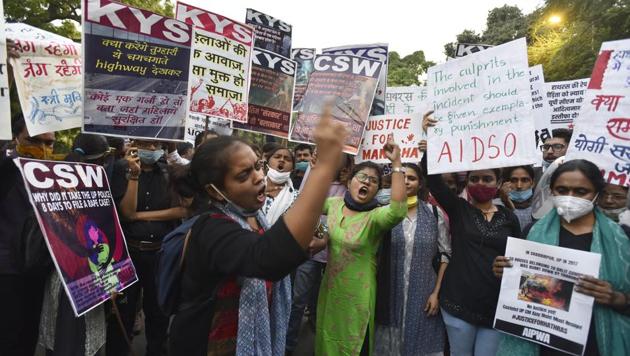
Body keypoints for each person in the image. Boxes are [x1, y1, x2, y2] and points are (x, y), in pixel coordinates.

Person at [168, 110, 347, 356]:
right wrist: (324, 170)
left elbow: (308, 220)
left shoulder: (260, 210)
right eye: (244, 175)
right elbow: (266, 257)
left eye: (257, 167)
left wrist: (320, 235)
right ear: (214, 190)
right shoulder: (211, 228)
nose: (259, 178)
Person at [493, 159, 630, 355]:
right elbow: (521, 290)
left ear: (598, 194)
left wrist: (618, 299)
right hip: (542, 343)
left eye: (581, 192)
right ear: (552, 191)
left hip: (597, 343)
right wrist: (506, 273)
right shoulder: (533, 232)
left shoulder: (622, 240)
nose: (570, 197)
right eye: (562, 190)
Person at [421, 112, 522, 356]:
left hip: (496, 307)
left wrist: (510, 264)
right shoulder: (459, 209)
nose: (481, 183)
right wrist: (430, 137)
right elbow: (433, 180)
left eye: (487, 179)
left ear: (498, 184)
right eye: (474, 178)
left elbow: (520, 258)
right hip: (458, 303)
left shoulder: (509, 217)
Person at [315, 138, 407, 356]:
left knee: (354, 346)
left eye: (373, 181)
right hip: (330, 290)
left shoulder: (376, 218)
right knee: (326, 341)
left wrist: (397, 164)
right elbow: (306, 206)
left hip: (358, 297)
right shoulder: (334, 205)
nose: (366, 183)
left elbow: (398, 210)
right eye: (362, 177)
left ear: (377, 189)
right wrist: (319, 168)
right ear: (349, 182)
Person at [107, 139, 187, 356]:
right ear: (134, 143)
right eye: (146, 144)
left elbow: (181, 210)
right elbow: (125, 212)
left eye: (156, 145)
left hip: (160, 254)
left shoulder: (170, 173)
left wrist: (140, 216)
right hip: (128, 255)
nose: (152, 149)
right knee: (122, 315)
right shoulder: (120, 169)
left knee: (158, 314)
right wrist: (134, 176)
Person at [39, 134, 113, 356]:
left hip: (69, 275)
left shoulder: (51, 184)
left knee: (68, 337)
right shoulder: (91, 189)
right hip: (79, 277)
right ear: (97, 162)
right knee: (74, 339)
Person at [375, 163, 451, 356]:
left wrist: (436, 293)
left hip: (425, 292)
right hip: (390, 292)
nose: (406, 181)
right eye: (402, 177)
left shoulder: (435, 214)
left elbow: (445, 254)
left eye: (411, 178)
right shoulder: (383, 213)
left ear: (420, 184)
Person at [285, 153, 353, 355]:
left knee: (330, 301)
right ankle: (288, 345)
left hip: (337, 255)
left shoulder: (349, 184)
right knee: (298, 300)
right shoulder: (314, 176)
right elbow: (307, 205)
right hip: (312, 252)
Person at [0, 115, 55, 356]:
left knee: (29, 335)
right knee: (8, 336)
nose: (43, 149)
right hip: (8, 270)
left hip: (39, 267)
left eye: (50, 143)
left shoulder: (58, 172)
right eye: (34, 141)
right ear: (17, 139)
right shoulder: (7, 168)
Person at [262, 146, 300, 224]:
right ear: (268, 162)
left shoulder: (297, 197)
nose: (282, 160)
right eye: (277, 157)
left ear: (292, 168)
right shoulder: (252, 188)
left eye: (287, 159)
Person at [502, 165, 536, 231]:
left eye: (524, 180)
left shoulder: (540, 207)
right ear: (505, 183)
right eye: (514, 180)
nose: (519, 186)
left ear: (532, 183)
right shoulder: (496, 206)